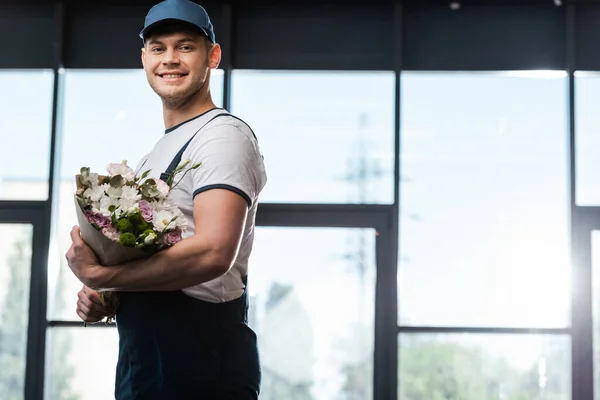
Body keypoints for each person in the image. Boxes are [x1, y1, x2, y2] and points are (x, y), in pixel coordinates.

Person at [65, 0, 267, 398]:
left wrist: (103, 277)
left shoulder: (222, 136)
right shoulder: (151, 159)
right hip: (145, 362)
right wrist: (107, 298)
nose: (170, 59)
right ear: (144, 58)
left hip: (202, 365)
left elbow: (212, 253)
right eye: (158, 47)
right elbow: (145, 260)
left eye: (185, 46)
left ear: (213, 55)